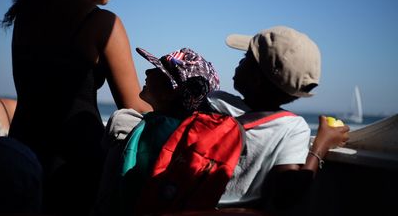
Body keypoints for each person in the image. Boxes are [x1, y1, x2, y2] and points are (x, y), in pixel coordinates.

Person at [0, 0, 151, 214]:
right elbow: (135, 107)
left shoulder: (26, 14)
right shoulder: (103, 23)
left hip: (22, 151)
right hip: (74, 164)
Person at [204, 25, 350, 214]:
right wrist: (321, 145)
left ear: (256, 79)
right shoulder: (291, 127)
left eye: (245, 58)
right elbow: (286, 196)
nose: (238, 63)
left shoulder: (214, 102)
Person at [92, 47, 220, 216]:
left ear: (171, 93)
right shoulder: (189, 137)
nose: (147, 71)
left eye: (158, 70)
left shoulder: (131, 125)